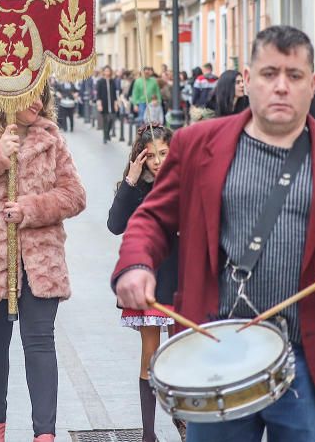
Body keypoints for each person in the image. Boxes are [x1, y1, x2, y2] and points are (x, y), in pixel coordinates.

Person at [113, 26, 315, 442]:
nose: (281, 87)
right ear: (247, 79)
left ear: (312, 84)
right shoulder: (196, 145)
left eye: (294, 76)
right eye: (269, 74)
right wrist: (136, 265)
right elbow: (151, 218)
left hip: (306, 360)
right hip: (215, 347)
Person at [0, 86, 86, 442]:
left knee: (40, 341)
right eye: (30, 93)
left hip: (40, 260)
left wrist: (31, 208)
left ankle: (45, 434)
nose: (38, 101)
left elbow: (74, 195)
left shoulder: (50, 139)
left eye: (42, 93)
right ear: (5, 93)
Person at [107, 124, 177, 442]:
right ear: (142, 157)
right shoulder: (136, 187)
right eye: (152, 156)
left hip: (181, 279)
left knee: (181, 354)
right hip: (149, 278)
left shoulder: (183, 181)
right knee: (150, 354)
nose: (159, 161)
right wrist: (131, 179)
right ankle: (148, 433)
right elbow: (115, 225)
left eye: (165, 153)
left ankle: (185, 424)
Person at [96, 66, 120, 144]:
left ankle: (107, 133)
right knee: (105, 120)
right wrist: (99, 104)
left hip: (112, 103)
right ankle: (105, 137)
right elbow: (98, 94)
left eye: (108, 71)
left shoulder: (112, 81)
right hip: (104, 103)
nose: (107, 72)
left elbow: (115, 93)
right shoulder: (100, 81)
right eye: (105, 71)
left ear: (110, 72)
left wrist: (116, 104)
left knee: (112, 119)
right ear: (103, 72)